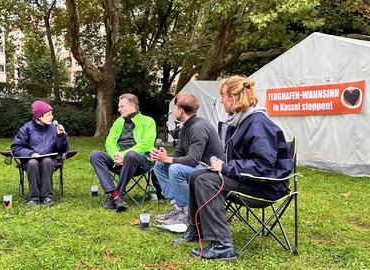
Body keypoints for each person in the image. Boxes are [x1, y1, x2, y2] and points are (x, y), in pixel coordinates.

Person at [173, 75, 293, 260]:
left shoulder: (257, 123)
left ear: (233, 98)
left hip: (265, 185)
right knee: (197, 175)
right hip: (248, 178)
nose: (221, 101)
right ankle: (197, 229)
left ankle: (222, 245)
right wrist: (222, 166)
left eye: (223, 96)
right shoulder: (242, 121)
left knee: (206, 181)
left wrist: (227, 168)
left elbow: (263, 166)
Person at [150, 92, 223, 225]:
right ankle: (177, 207)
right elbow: (179, 153)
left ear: (180, 110)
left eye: (175, 107)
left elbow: (192, 160)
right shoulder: (186, 127)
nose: (174, 110)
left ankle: (186, 212)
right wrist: (163, 157)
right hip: (198, 165)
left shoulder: (199, 128)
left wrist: (168, 160)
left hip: (212, 169)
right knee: (159, 165)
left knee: (175, 169)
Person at [90, 93, 156, 212]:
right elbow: (109, 142)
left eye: (121, 106)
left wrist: (124, 154)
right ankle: (115, 195)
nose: (118, 109)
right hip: (118, 161)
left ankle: (117, 195)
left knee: (131, 155)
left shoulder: (148, 121)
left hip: (140, 161)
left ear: (132, 105)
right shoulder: (119, 122)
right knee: (95, 155)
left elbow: (146, 144)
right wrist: (116, 155)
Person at [11, 100, 68, 206]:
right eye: (48, 114)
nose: (52, 117)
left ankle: (47, 196)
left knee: (46, 161)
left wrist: (61, 136)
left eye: (52, 114)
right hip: (30, 160)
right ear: (40, 116)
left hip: (50, 159)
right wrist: (30, 154)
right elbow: (16, 147)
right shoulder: (26, 128)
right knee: (33, 163)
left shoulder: (54, 128)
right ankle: (33, 197)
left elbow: (62, 149)